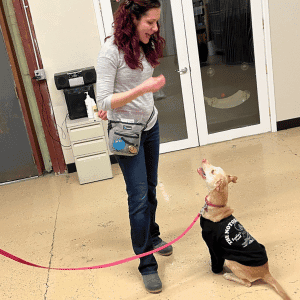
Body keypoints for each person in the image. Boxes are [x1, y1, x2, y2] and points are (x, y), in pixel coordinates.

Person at [96, 0, 172, 294]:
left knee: (151, 188)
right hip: (125, 133)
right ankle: (146, 264)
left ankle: (152, 235)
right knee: (138, 197)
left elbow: (126, 91)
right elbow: (103, 100)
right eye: (149, 23)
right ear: (132, 19)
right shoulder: (110, 52)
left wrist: (142, 94)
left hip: (150, 125)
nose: (155, 29)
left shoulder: (146, 44)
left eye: (157, 23)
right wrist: (143, 89)